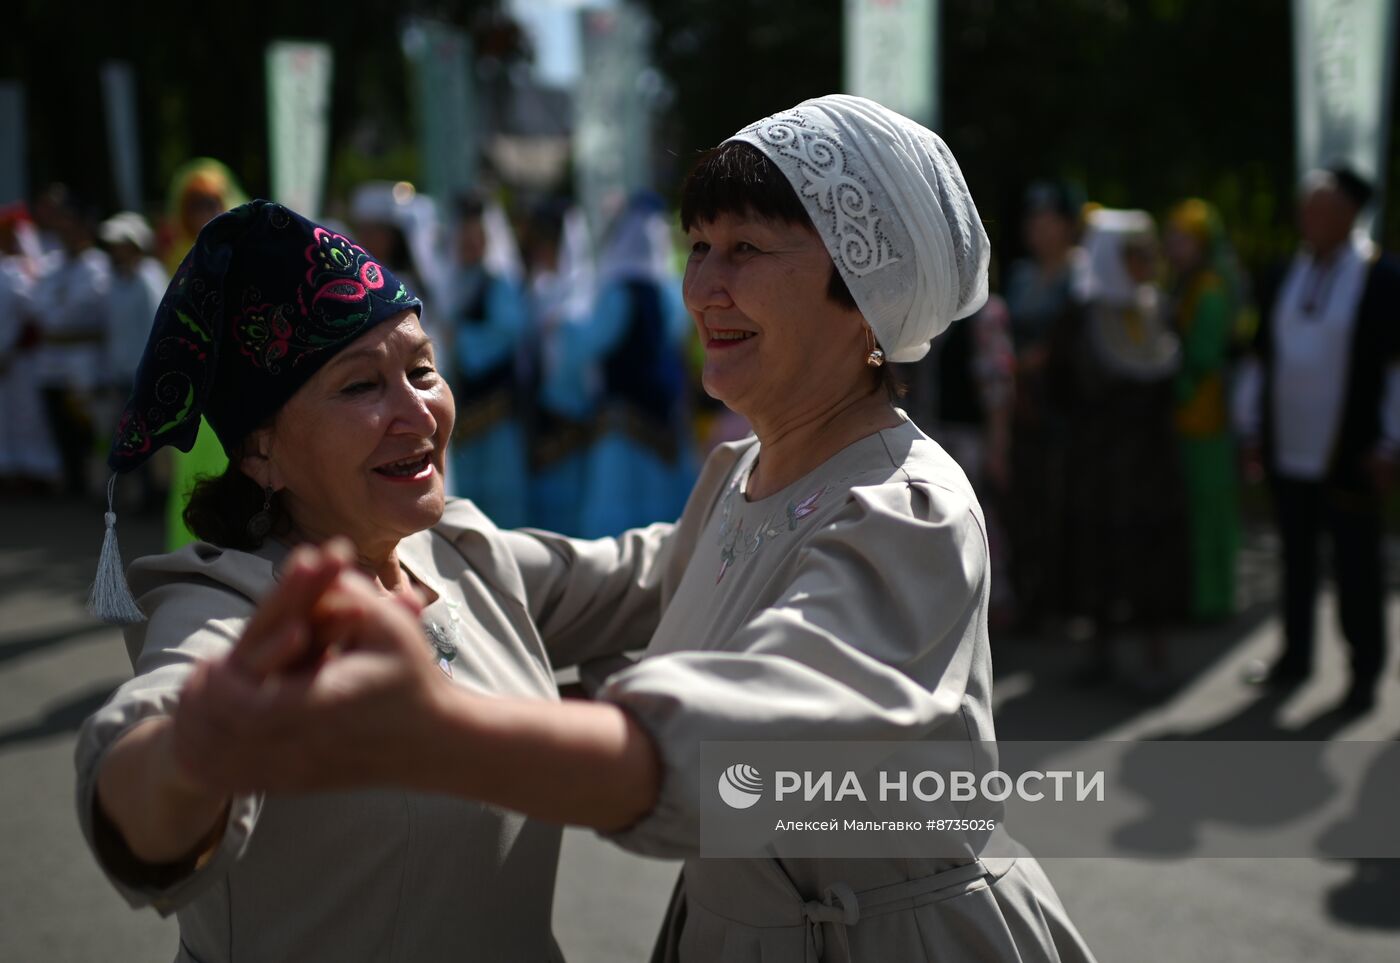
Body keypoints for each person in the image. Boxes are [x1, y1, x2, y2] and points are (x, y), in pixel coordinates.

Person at [171, 96, 1098, 962]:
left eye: (745, 248)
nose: (704, 287)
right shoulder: (741, 477)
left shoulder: (906, 505)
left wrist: (459, 727)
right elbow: (631, 586)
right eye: (699, 247)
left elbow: (764, 723)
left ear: (864, 289)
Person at [76, 201, 571, 961]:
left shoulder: (460, 552)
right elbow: (149, 764)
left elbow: (657, 571)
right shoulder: (231, 607)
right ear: (260, 451)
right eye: (360, 386)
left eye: (422, 370)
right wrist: (193, 750)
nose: (418, 415)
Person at [1235, 165, 1400, 713]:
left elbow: (1396, 369)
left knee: (1356, 566)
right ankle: (1295, 656)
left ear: (1350, 214)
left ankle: (1363, 673)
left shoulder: (1380, 277)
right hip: (1289, 444)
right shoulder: (1285, 272)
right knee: (1296, 559)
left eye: (1321, 208)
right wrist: (1251, 425)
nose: (1309, 218)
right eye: (1305, 208)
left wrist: (1391, 442)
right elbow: (1262, 357)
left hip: (1350, 448)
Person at [1061, 208, 1186, 684]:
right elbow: (1072, 386)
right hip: (1104, 461)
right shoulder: (1085, 315)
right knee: (1102, 554)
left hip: (1151, 461)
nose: (1148, 263)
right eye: (1137, 254)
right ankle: (1101, 654)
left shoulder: (1157, 308)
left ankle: (1156, 655)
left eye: (1150, 254)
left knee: (1155, 555)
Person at [574, 191, 694, 537]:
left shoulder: (619, 291)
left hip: (623, 420)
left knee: (619, 512)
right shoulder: (669, 289)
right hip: (663, 416)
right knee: (662, 506)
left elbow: (590, 342)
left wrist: (563, 327)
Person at [1003, 181, 1086, 633]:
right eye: (1032, 220)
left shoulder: (1083, 274)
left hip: (1067, 408)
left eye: (1047, 219)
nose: (1037, 228)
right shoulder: (1020, 276)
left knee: (1065, 501)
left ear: (1068, 224)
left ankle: (1065, 600)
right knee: (1026, 503)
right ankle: (1031, 597)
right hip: (1024, 407)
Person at [161, 158, 248, 550]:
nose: (205, 211)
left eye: (212, 201)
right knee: (193, 481)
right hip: (192, 393)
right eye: (195, 203)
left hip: (238, 384)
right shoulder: (174, 261)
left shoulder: (245, 254)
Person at [1163, 199, 1242, 622]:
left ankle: (1213, 599)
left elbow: (1203, 354)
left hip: (1205, 417)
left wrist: (1172, 385)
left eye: (1183, 239)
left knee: (1209, 508)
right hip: (1190, 415)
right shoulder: (1186, 284)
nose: (1173, 247)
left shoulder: (1208, 288)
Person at [446, 193, 530, 528]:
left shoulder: (500, 282)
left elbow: (508, 333)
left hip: (497, 409)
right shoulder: (453, 280)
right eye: (463, 235)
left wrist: (460, 340)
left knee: (500, 497)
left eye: (476, 235)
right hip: (465, 408)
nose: (468, 242)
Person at [31, 195, 109, 496]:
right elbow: (39, 307)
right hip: (52, 358)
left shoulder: (98, 265)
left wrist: (59, 315)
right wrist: (58, 315)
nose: (66, 231)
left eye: (71, 224)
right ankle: (70, 480)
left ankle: (91, 483)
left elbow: (84, 309)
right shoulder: (50, 265)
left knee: (85, 425)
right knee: (58, 423)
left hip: (84, 356)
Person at [0, 203, 61, 490]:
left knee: (28, 416)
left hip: (22, 358)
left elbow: (35, 312)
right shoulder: (11, 271)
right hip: (11, 358)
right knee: (11, 417)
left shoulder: (22, 270)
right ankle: (14, 469)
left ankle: (34, 471)